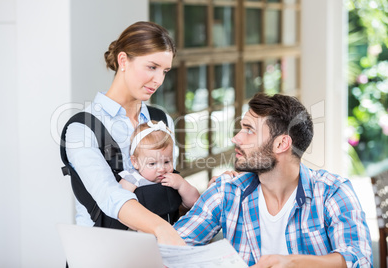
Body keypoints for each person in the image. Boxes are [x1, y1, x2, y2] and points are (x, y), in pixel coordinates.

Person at [174, 93, 373, 267]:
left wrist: (293, 263)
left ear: (281, 144)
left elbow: (359, 259)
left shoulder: (332, 192)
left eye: (249, 130)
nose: (236, 138)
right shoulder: (227, 191)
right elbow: (172, 249)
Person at [64, 21, 185, 245]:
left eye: (165, 71)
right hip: (102, 252)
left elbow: (167, 185)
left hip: (158, 252)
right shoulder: (82, 129)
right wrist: (161, 228)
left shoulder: (161, 119)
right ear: (123, 61)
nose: (159, 80)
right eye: (152, 67)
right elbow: (111, 197)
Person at [119, 120, 200, 210]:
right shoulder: (132, 179)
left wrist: (182, 185)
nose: (161, 169)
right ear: (135, 162)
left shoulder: (173, 178)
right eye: (152, 163)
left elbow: (195, 202)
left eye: (166, 162)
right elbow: (118, 205)